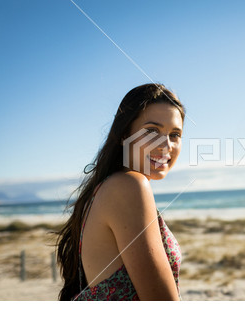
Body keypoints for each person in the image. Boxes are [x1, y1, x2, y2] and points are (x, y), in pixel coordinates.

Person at [56, 83, 185, 301]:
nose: (166, 145)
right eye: (152, 131)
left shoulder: (108, 187)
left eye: (174, 134)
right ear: (125, 135)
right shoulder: (128, 186)